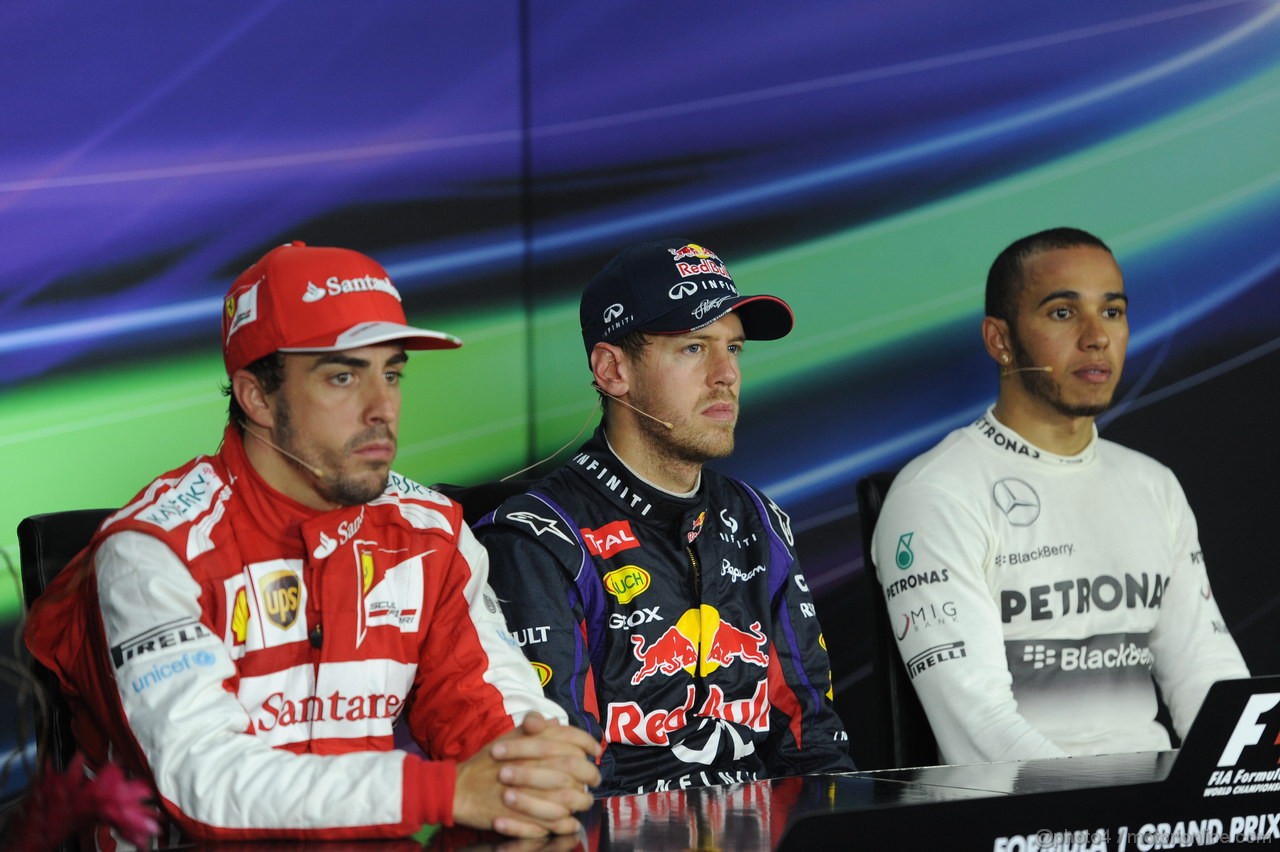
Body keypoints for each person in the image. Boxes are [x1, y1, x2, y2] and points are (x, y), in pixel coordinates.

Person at [24, 242, 600, 847]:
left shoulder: (428, 533)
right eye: (344, 376)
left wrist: (530, 763)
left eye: (393, 373)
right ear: (257, 397)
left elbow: (489, 705)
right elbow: (206, 782)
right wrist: (443, 791)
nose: (384, 409)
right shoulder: (156, 550)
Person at [474, 238, 853, 796]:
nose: (726, 374)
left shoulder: (757, 520)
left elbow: (812, 738)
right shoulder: (537, 537)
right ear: (613, 370)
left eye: (735, 349)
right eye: (695, 348)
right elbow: (560, 775)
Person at [870, 227, 1249, 764]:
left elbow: (1207, 674)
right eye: (1064, 313)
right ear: (1000, 340)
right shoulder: (936, 494)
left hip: (1158, 814)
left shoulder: (1152, 484)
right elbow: (980, 731)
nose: (1097, 337)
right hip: (1022, 822)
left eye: (1112, 311)